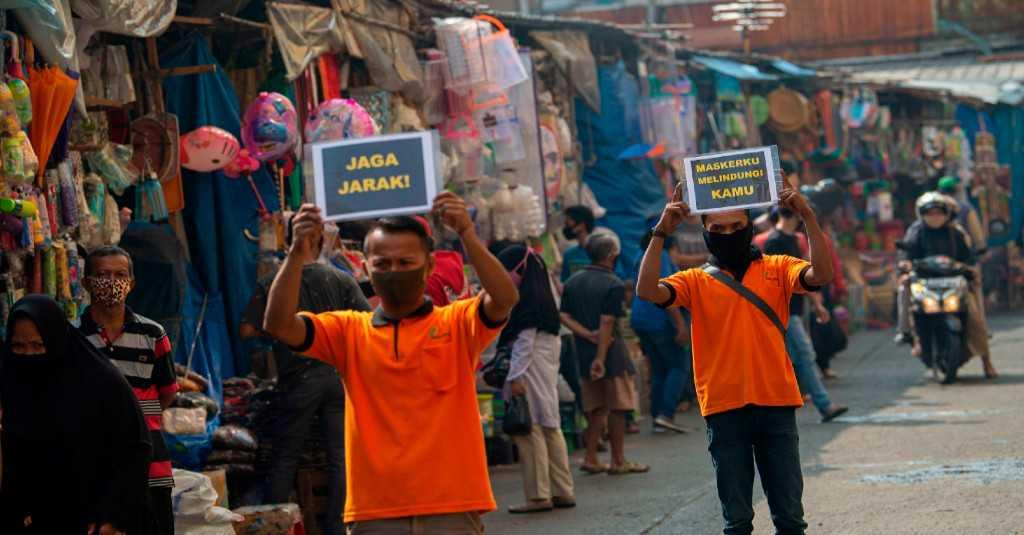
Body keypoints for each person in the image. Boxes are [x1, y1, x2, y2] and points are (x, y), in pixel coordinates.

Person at [261, 192, 518, 533]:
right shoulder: (348, 331)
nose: (393, 271)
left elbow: (504, 298)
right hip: (375, 512)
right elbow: (278, 324)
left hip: (452, 507)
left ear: (428, 266)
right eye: (382, 264)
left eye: (405, 262)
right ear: (366, 268)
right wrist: (296, 253)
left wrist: (467, 234)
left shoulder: (457, 324)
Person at [637, 184, 834, 535]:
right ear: (706, 233)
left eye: (735, 227)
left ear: (750, 228)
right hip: (724, 407)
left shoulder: (779, 267)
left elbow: (821, 275)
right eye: (717, 229)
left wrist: (807, 216)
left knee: (790, 519)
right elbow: (647, 291)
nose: (728, 234)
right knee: (737, 521)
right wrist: (661, 233)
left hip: (776, 403)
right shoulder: (695, 281)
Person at [240, 217, 372, 535]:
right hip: (338, 378)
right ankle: (337, 528)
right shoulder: (341, 279)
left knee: (287, 454)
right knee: (340, 456)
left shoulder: (273, 280)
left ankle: (274, 526)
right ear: (320, 242)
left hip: (297, 378)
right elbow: (368, 320)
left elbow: (246, 330)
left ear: (291, 242)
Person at [1, 295, 152, 534]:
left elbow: (134, 448)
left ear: (56, 340)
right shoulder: (9, 375)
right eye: (18, 346)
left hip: (89, 517)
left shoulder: (101, 382)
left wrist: (113, 516)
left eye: (38, 345)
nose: (28, 355)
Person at [79, 246, 178, 535]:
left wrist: (136, 419)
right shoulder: (74, 336)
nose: (112, 282)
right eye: (102, 275)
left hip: (151, 466)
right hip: (97, 468)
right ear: (86, 283)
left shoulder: (153, 334)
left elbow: (167, 392)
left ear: (132, 283)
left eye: (120, 275)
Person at [496, 244, 576, 514]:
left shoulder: (526, 308)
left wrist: (515, 378)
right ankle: (562, 491)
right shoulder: (545, 306)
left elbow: (523, 347)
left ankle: (538, 496)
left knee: (530, 434)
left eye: (506, 271)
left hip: (528, 377)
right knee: (551, 430)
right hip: (544, 378)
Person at [560, 233, 648, 476]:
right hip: (610, 355)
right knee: (618, 406)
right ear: (612, 255)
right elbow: (607, 321)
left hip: (584, 352)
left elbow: (564, 315)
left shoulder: (572, 281)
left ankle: (590, 457)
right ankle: (617, 460)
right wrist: (600, 356)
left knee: (595, 406)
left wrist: (586, 335)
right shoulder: (613, 284)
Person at [760, 208, 848, 422]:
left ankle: (780, 406)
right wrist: (815, 302)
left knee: (793, 357)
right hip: (784, 309)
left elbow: (799, 275)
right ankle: (824, 405)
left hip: (794, 307)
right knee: (804, 354)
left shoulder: (790, 239)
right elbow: (784, 278)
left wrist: (815, 302)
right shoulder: (776, 242)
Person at [898, 192, 997, 378]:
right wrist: (905, 266)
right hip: (924, 283)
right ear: (922, 214)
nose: (935, 217)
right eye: (930, 213)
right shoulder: (916, 231)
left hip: (954, 282)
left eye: (939, 212)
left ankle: (987, 360)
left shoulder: (956, 233)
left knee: (977, 315)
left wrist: (970, 269)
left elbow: (968, 256)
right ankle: (905, 331)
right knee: (904, 286)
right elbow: (907, 253)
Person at [631, 230, 694, 433]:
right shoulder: (662, 257)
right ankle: (666, 414)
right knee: (678, 366)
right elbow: (666, 294)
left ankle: (658, 417)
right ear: (671, 247)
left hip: (640, 319)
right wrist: (681, 326)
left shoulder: (641, 256)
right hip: (659, 321)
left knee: (659, 369)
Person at [561, 205, 596, 282]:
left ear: (581, 225)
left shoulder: (601, 252)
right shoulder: (568, 254)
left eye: (568, 223)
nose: (566, 227)